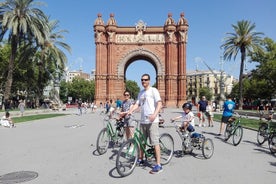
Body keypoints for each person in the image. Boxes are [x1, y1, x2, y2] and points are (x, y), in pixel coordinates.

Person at [128, 73, 163, 174]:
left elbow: (160, 103)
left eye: (145, 80)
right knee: (142, 142)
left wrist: (154, 115)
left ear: (149, 81)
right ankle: (141, 159)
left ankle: (158, 165)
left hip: (153, 121)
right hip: (143, 121)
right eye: (142, 80)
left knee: (155, 142)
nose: (143, 81)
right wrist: (130, 111)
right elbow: (136, 104)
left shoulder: (154, 90)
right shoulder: (141, 93)